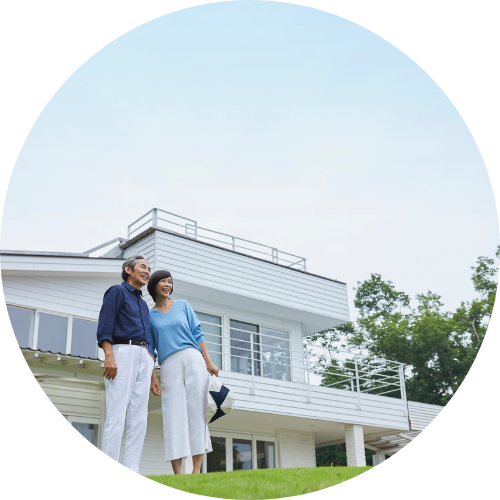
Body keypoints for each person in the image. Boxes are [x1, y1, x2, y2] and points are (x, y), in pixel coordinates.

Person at [147, 269, 219, 475]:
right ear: (154, 286)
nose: (167, 284)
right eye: (163, 281)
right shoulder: (149, 315)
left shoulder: (183, 305)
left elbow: (197, 333)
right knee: (172, 415)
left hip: (193, 358)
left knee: (197, 412)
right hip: (168, 364)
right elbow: (150, 349)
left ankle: (196, 470)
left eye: (170, 281)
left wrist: (209, 362)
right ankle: (178, 473)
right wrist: (152, 376)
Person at [96, 254, 154, 473]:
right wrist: (109, 356)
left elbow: (146, 338)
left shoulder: (143, 304)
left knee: (139, 419)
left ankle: (132, 468)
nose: (147, 271)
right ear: (128, 270)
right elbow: (105, 327)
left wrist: (152, 374)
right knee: (117, 413)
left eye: (149, 268)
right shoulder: (116, 292)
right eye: (143, 266)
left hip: (143, 355)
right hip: (122, 352)